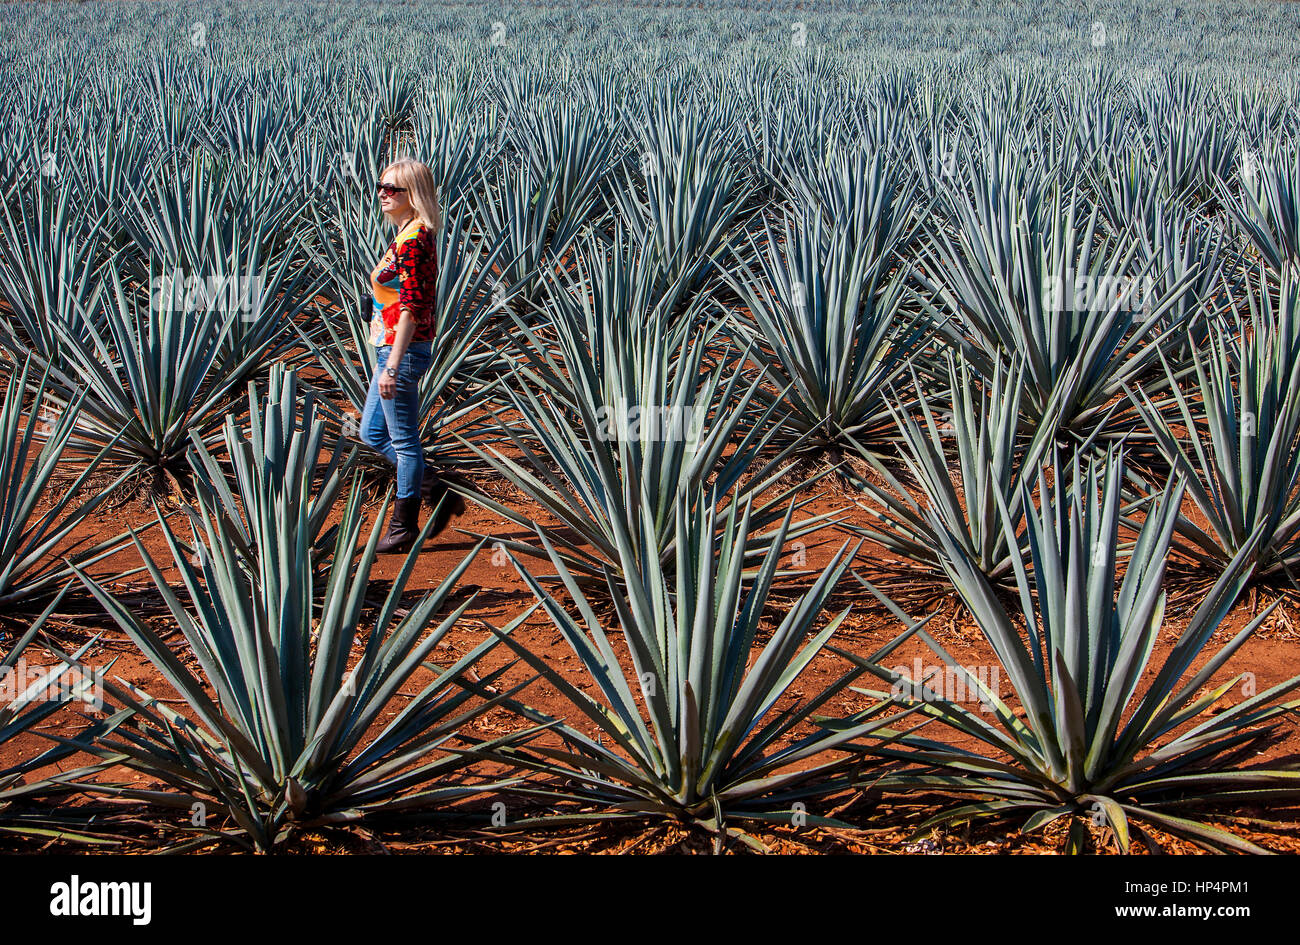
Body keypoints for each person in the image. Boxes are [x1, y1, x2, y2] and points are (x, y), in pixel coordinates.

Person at [359, 156, 464, 553]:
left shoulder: (416, 238)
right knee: (372, 434)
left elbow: (413, 307)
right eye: (381, 187)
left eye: (393, 189)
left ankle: (404, 527)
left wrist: (392, 365)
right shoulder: (403, 234)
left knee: (403, 444)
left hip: (401, 352)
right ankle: (439, 488)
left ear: (414, 195)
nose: (383, 195)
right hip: (389, 347)